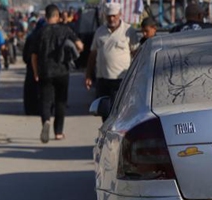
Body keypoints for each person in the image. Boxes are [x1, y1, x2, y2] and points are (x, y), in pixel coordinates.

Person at [31, 4, 84, 143]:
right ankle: (59, 132)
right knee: (61, 101)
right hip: (62, 71)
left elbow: (34, 56)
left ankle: (46, 122)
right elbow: (79, 45)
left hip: (45, 72)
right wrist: (76, 52)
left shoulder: (40, 32)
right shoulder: (65, 30)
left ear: (46, 16)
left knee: (45, 101)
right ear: (57, 16)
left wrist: (36, 72)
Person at [84, 3, 138, 103]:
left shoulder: (128, 30)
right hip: (102, 79)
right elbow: (93, 54)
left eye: (114, 16)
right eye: (109, 16)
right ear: (105, 16)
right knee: (104, 109)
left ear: (119, 14)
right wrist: (88, 75)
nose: (111, 19)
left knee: (119, 109)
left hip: (122, 79)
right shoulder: (99, 31)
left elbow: (136, 53)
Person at [21, 17, 45, 116]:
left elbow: (25, 55)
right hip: (45, 68)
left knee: (30, 90)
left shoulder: (31, 36)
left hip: (31, 68)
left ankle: (30, 110)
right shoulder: (46, 36)